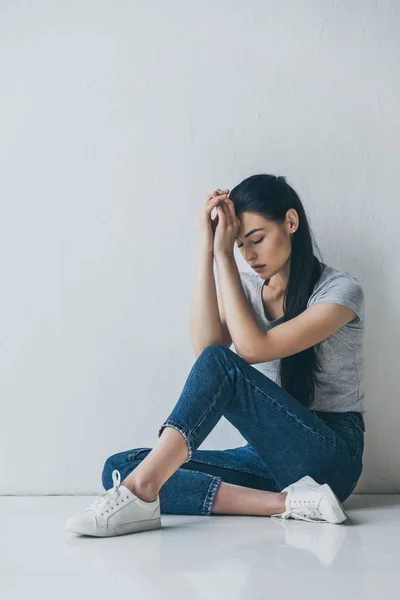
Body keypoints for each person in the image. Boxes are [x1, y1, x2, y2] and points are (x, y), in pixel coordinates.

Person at [65, 174, 365, 537]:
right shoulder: (251, 291)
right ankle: (291, 503)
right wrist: (207, 250)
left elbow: (248, 351)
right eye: (239, 245)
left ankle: (142, 493)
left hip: (331, 455)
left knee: (148, 471)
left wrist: (224, 256)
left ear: (290, 222)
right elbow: (206, 345)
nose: (249, 255)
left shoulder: (340, 291)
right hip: (268, 457)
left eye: (256, 239)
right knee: (122, 466)